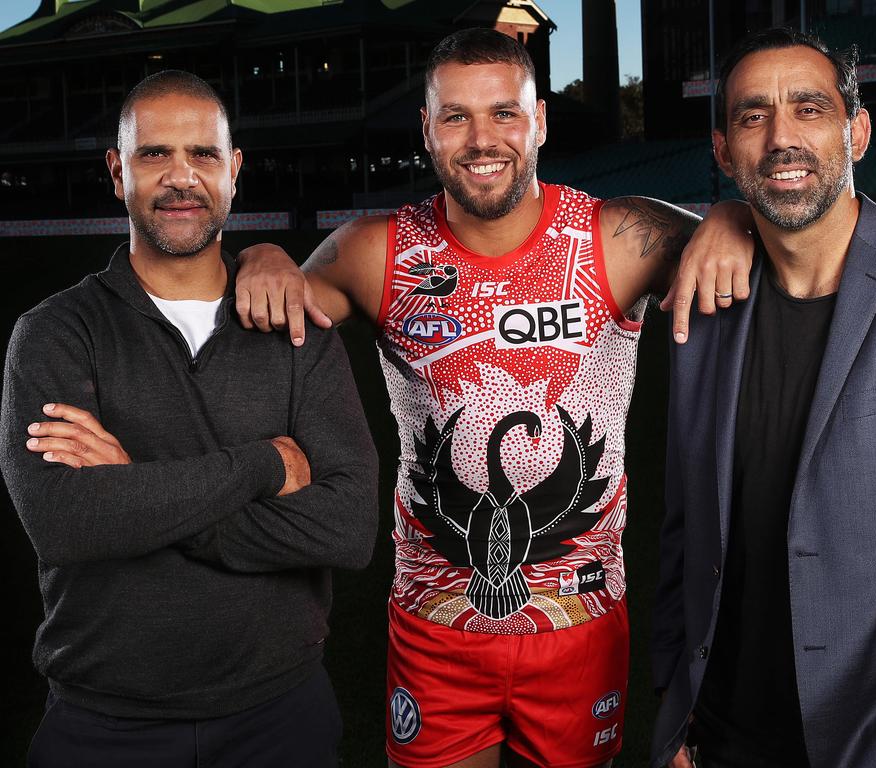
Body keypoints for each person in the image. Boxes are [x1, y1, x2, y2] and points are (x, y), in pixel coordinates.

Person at [234, 27, 754, 768]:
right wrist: (264, 254)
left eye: (504, 113)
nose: (482, 139)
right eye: (456, 116)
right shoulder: (376, 250)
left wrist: (731, 217)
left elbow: (754, 253)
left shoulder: (617, 237)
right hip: (435, 627)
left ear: (539, 119)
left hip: (581, 621)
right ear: (426, 128)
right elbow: (274, 309)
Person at [651, 27, 876, 768]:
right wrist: (674, 714)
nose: (781, 137)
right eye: (753, 116)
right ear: (725, 151)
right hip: (717, 737)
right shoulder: (704, 301)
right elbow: (684, 530)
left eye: (810, 109)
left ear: (857, 132)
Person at [0, 70, 378, 768]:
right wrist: (265, 464)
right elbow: (69, 523)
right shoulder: (55, 333)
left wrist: (132, 486)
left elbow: (349, 526)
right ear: (117, 173)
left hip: (281, 717)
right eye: (154, 155)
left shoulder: (299, 328)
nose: (181, 177)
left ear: (234, 172)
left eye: (203, 155)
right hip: (104, 724)